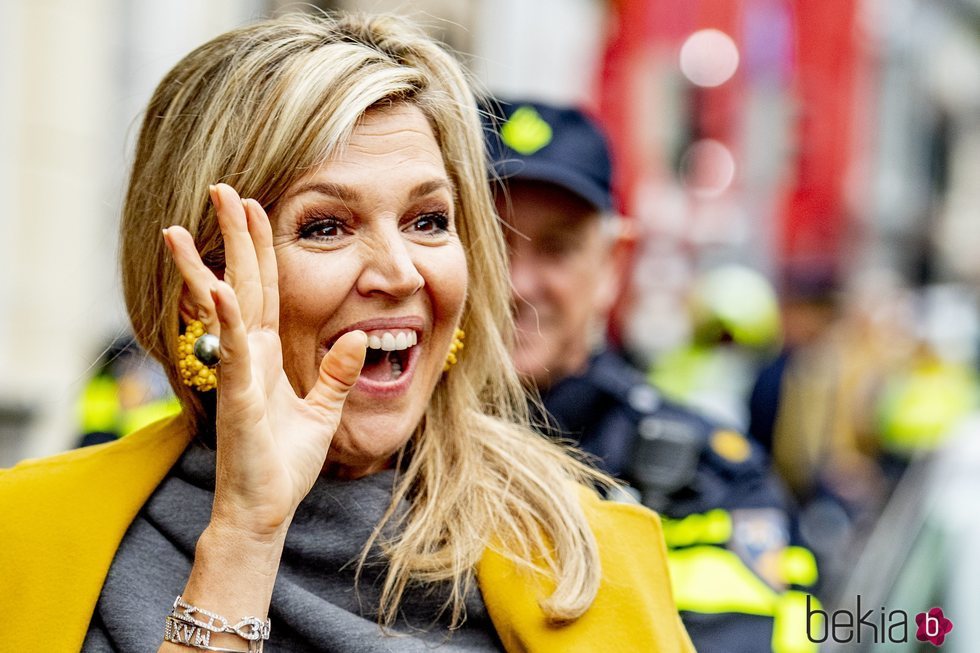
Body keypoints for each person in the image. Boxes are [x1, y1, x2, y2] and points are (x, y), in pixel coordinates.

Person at [0, 14, 695, 653]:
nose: (400, 273)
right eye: (326, 226)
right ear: (202, 290)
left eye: (428, 220)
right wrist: (245, 533)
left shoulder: (588, 554)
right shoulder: (29, 539)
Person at [485, 99, 818, 653]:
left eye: (557, 248)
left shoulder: (711, 481)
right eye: (491, 237)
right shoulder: (370, 447)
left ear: (613, 265)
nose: (518, 284)